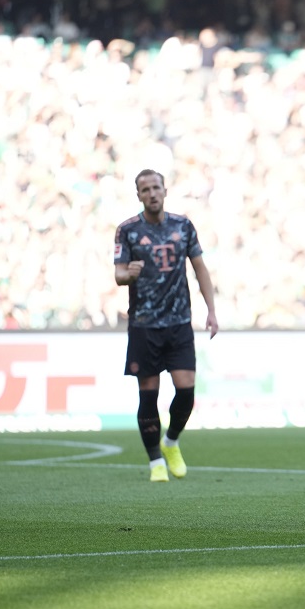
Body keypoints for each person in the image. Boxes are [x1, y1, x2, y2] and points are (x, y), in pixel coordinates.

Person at [114, 169, 218, 483]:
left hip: (179, 322)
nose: (152, 194)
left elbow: (199, 268)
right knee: (148, 395)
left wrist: (211, 310)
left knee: (186, 390)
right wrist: (129, 274)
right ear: (139, 196)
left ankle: (170, 442)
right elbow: (119, 275)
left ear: (165, 190)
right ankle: (155, 462)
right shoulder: (128, 230)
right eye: (145, 189)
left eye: (155, 187)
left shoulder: (183, 226)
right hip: (144, 325)